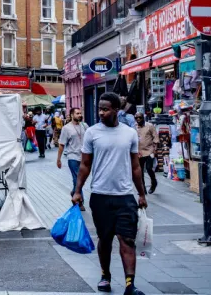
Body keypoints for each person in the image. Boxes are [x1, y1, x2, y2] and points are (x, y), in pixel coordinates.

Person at [72, 92, 148, 295]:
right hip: (100, 195)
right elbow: (85, 164)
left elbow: (135, 167)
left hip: (125, 196)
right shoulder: (92, 133)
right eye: (99, 108)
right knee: (104, 239)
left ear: (116, 110)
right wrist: (77, 190)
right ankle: (105, 275)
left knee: (127, 240)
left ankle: (130, 284)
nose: (101, 112)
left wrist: (141, 194)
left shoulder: (129, 133)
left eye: (105, 109)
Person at [57, 108, 87, 210]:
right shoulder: (66, 128)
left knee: (81, 179)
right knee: (77, 179)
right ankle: (80, 201)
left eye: (80, 113)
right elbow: (61, 144)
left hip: (83, 157)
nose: (79, 115)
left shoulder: (84, 126)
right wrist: (58, 159)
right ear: (72, 115)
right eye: (77, 113)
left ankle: (74, 192)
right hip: (72, 157)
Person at [134, 113, 159, 195]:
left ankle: (153, 182)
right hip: (139, 152)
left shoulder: (149, 126)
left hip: (149, 151)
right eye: (136, 118)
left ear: (143, 118)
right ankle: (142, 188)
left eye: (140, 118)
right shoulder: (134, 127)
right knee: (139, 171)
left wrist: (155, 149)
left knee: (149, 168)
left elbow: (155, 137)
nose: (138, 119)